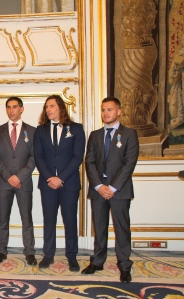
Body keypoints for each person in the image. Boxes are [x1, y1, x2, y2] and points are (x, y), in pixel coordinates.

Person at [83, 97, 139, 284]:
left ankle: (124, 265)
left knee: (122, 229)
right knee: (99, 228)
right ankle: (97, 261)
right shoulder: (95, 135)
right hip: (99, 191)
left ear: (119, 111)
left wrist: (112, 187)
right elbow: (89, 161)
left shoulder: (130, 134)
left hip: (119, 191)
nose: (106, 113)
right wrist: (99, 186)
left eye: (109, 110)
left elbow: (129, 163)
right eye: (103, 110)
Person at [33, 95, 86, 272]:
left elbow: (77, 157)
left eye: (52, 106)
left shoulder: (76, 129)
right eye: (46, 107)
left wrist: (60, 178)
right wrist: (50, 177)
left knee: (70, 221)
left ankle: (72, 256)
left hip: (69, 184)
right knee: (49, 220)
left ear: (61, 108)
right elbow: (38, 157)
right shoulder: (40, 131)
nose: (48, 110)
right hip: (47, 184)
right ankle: (48, 255)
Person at [0, 97, 37, 266]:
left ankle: (30, 252)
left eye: (15, 107)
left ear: (22, 109)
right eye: (8, 107)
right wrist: (9, 176)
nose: (11, 110)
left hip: (24, 182)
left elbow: (33, 157)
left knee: (27, 219)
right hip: (4, 182)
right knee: (3, 219)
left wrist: (19, 176)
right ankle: (1, 250)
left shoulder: (32, 131)